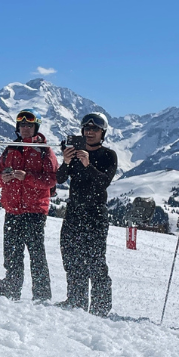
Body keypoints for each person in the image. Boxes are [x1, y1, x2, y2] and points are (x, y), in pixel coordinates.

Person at [0, 109, 58, 301]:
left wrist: (27, 178)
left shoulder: (45, 150)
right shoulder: (11, 148)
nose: (25, 128)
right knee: (12, 254)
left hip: (34, 210)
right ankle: (12, 291)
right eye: (22, 125)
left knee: (36, 255)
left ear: (36, 127)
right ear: (18, 127)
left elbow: (52, 180)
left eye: (29, 125)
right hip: (12, 209)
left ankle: (42, 296)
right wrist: (2, 178)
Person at [56, 112, 117, 316]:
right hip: (74, 211)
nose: (90, 132)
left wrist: (87, 165)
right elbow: (59, 179)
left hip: (95, 214)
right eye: (87, 129)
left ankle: (100, 307)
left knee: (95, 260)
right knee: (71, 256)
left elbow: (103, 183)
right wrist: (65, 162)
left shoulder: (109, 155)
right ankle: (76, 300)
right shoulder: (73, 152)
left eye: (95, 129)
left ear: (103, 133)